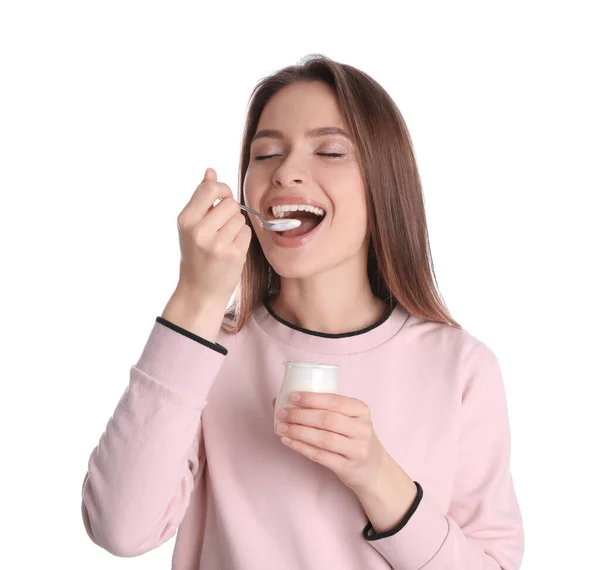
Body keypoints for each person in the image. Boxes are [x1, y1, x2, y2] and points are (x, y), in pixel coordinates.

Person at [81, 54, 524, 570]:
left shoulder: (461, 367)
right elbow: (119, 528)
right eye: (265, 153)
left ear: (384, 184)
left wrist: (377, 476)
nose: (286, 171)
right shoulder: (206, 349)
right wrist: (195, 299)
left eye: (330, 151)